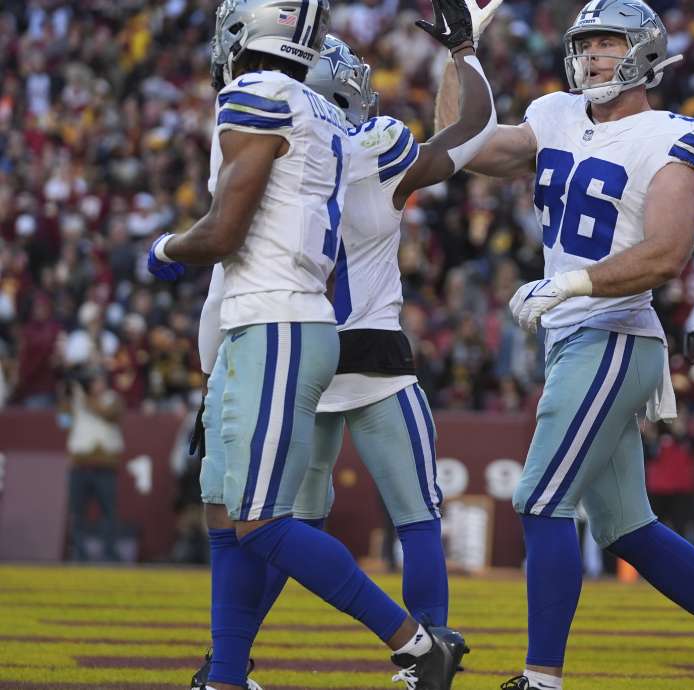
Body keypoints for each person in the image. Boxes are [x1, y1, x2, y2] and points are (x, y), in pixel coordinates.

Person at [435, 2, 694, 688]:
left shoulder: (673, 134)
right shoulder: (554, 115)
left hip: (613, 334)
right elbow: (464, 147)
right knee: (626, 529)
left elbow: (664, 254)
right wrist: (459, 55)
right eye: (587, 43)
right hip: (575, 338)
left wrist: (569, 284)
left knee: (540, 502)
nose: (593, 55)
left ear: (645, 54)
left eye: (608, 43)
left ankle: (541, 678)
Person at [145, 2, 478, 689]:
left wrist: (163, 251)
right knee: (373, 514)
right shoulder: (363, 139)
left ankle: (411, 642)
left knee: (267, 521)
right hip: (327, 336)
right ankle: (234, 672)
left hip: (280, 326)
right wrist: (465, 55)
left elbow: (223, 243)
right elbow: (468, 135)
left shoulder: (267, 103)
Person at [62, 370, 124, 562]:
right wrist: (65, 396)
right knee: (77, 512)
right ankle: (79, 553)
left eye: (96, 381)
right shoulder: (76, 401)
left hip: (105, 465)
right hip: (80, 465)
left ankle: (109, 553)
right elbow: (62, 420)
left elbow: (109, 415)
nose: (94, 385)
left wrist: (84, 397)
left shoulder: (112, 399)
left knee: (108, 512)